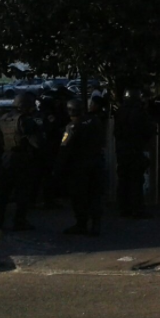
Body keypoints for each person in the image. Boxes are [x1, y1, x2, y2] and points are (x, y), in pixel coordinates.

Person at [57, 98, 105, 236]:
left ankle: (81, 224)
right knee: (95, 194)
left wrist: (58, 168)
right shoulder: (95, 121)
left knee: (79, 196)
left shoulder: (73, 127)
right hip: (96, 163)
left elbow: (64, 148)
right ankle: (96, 224)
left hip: (80, 167)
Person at [0, 92, 45, 231]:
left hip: (6, 158)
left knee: (3, 193)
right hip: (22, 159)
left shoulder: (3, 119)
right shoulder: (25, 120)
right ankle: (20, 221)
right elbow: (37, 143)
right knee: (22, 192)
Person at [114, 88, 156, 219]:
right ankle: (137, 209)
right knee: (136, 180)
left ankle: (124, 208)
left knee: (123, 180)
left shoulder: (120, 112)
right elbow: (147, 130)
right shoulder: (139, 112)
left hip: (122, 150)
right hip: (134, 150)